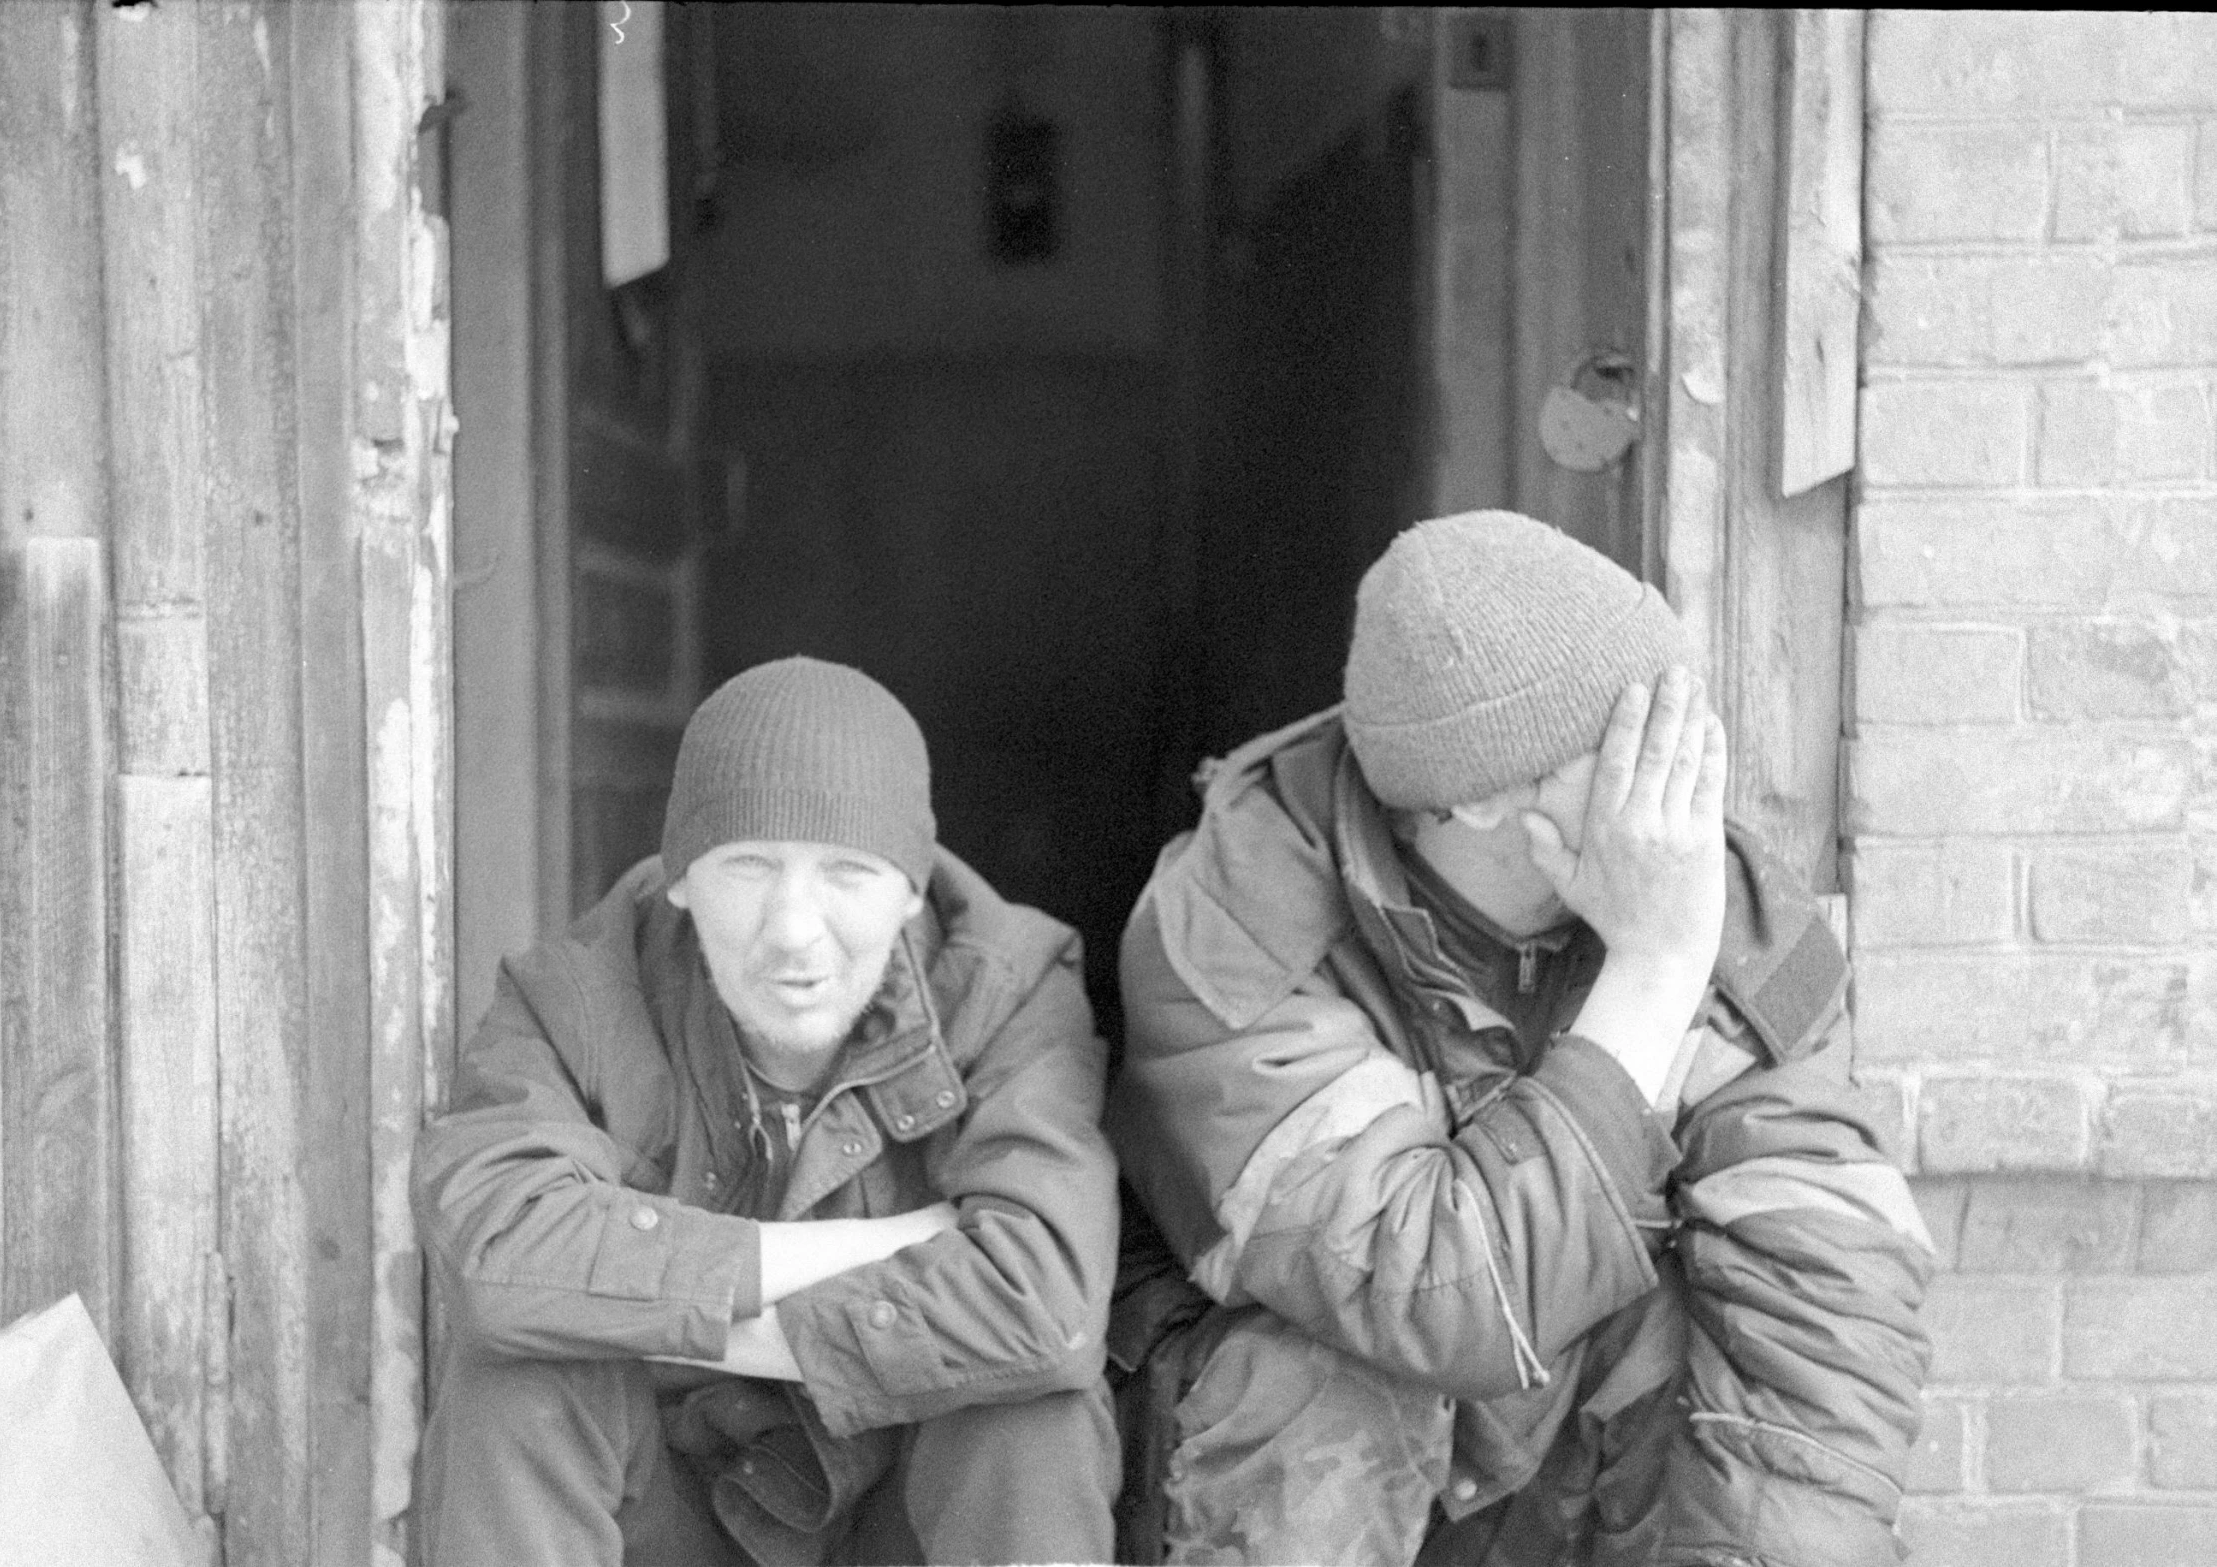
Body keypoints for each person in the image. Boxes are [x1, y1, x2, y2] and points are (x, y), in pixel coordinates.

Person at [1108, 511, 1934, 1566]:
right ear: (1491, 796)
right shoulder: (1235, 919)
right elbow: (1434, 1296)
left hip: (1550, 1446)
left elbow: (1825, 1290)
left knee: (1703, 1352)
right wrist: (1648, 975)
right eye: (1641, 738)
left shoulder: (1717, 905)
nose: (1691, 774)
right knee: (1322, 1390)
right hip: (1291, 1441)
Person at [415, 656, 1120, 1567]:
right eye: (748, 866)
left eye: (848, 872)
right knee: (517, 1374)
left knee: (1028, 1403)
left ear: (911, 887)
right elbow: (496, 1257)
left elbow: (1047, 1306)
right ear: (680, 877)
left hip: (895, 1514)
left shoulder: (1008, 984)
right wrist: (887, 1249)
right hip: (666, 1515)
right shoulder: (576, 993)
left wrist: (670, 1308)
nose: (793, 929)